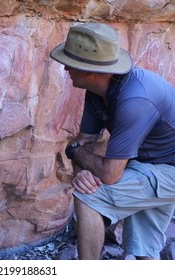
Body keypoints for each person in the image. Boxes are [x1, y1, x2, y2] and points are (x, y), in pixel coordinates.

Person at [49, 22, 175, 260]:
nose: (65, 68)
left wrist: (75, 153)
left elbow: (109, 174)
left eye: (71, 63)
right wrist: (80, 173)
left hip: (167, 170)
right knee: (143, 253)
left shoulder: (136, 98)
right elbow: (84, 142)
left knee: (89, 197)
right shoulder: (97, 92)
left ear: (90, 71)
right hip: (149, 165)